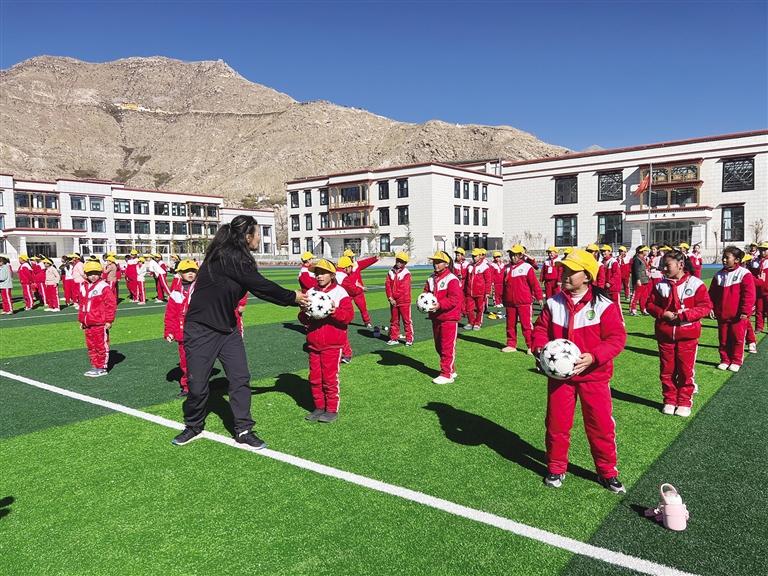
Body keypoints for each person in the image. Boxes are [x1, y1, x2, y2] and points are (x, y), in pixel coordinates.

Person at [171, 215, 308, 448]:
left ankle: (243, 429)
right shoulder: (229, 257)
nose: (259, 238)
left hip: (228, 329)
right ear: (247, 236)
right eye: (257, 234)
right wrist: (292, 296)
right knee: (198, 385)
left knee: (240, 379)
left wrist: (293, 301)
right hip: (201, 330)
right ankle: (193, 425)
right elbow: (260, 284)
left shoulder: (235, 258)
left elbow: (259, 290)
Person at [532, 249, 627, 493]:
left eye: (571, 271)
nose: (564, 274)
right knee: (557, 424)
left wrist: (594, 356)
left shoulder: (604, 306)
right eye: (563, 269)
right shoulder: (553, 303)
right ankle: (556, 467)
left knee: (600, 425)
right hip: (560, 379)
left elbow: (617, 338)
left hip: (594, 377)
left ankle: (607, 472)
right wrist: (541, 349)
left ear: (587, 276)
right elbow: (540, 330)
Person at [647, 250, 712, 417]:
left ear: (680, 265)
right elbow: (650, 305)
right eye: (663, 265)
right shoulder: (660, 285)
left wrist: (685, 315)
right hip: (665, 335)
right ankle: (669, 400)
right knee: (666, 370)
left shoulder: (696, 284)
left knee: (685, 370)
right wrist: (663, 314)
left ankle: (684, 401)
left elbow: (705, 307)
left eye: (667, 265)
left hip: (687, 335)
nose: (663, 269)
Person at [299, 259, 354, 423]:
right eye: (317, 273)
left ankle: (331, 410)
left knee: (329, 378)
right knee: (315, 378)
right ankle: (319, 407)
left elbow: (348, 317)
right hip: (314, 343)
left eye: (323, 273)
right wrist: (303, 312)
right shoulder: (311, 292)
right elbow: (303, 319)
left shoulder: (340, 293)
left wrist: (334, 311)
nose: (319, 276)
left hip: (332, 343)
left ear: (332, 275)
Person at [709, 246, 756, 373]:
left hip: (738, 315)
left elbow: (749, 294)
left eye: (727, 257)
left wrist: (745, 311)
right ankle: (725, 360)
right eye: (723, 257)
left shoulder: (744, 273)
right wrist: (711, 307)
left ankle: (736, 361)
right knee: (723, 339)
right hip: (722, 314)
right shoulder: (718, 275)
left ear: (737, 260)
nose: (724, 260)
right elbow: (711, 294)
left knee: (737, 339)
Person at [422, 251, 463, 384]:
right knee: (439, 346)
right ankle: (451, 369)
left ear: (446, 264)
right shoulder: (431, 278)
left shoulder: (452, 279)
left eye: (439, 262)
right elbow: (425, 293)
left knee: (447, 346)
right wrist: (423, 302)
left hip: (449, 317)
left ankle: (446, 374)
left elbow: (454, 299)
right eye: (434, 262)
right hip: (436, 317)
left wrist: (439, 304)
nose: (435, 264)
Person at [164, 259, 199, 397]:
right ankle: (187, 387)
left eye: (193, 271)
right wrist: (169, 331)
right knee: (185, 362)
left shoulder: (201, 290)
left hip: (199, 334)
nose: (190, 273)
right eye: (186, 271)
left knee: (200, 362)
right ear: (180, 273)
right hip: (182, 334)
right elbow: (170, 315)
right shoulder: (175, 293)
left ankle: (200, 386)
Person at [501, 244, 543, 354]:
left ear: (520, 255)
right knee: (510, 325)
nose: (513, 257)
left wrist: (539, 297)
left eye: (515, 254)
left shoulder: (527, 267)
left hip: (524, 302)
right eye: (511, 254)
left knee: (526, 325)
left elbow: (534, 284)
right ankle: (511, 344)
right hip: (510, 302)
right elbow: (503, 285)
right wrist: (502, 298)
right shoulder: (506, 268)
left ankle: (531, 346)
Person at [79, 260, 117, 377]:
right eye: (90, 274)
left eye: (96, 273)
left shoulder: (103, 287)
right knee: (91, 346)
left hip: (100, 323)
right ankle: (95, 365)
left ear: (100, 273)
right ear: (86, 274)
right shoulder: (84, 287)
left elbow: (111, 304)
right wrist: (82, 320)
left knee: (101, 346)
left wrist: (109, 320)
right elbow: (82, 305)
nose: (93, 276)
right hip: (88, 323)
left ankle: (101, 367)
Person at [344, 248, 378, 328]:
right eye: (350, 257)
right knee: (345, 307)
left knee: (363, 308)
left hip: (358, 291)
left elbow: (366, 262)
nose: (352, 258)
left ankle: (367, 322)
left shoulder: (356, 265)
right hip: (348, 292)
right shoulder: (343, 267)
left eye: (352, 257)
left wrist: (375, 258)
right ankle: (344, 320)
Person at [385, 251, 413, 346]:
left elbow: (403, 289)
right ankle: (394, 338)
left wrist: (393, 298)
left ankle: (409, 339)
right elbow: (387, 285)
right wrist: (390, 297)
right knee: (394, 320)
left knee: (406, 321)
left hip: (404, 301)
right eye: (398, 260)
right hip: (393, 301)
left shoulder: (406, 273)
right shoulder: (390, 272)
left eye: (401, 261)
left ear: (405, 263)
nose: (398, 262)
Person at [335, 256, 359, 363]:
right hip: (341, 306)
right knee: (341, 330)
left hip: (333, 305)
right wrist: (360, 288)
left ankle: (342, 353)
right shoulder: (343, 277)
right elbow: (353, 290)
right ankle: (346, 354)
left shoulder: (334, 274)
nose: (351, 269)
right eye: (350, 267)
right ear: (346, 267)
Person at [463, 247, 493, 330]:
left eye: (475, 256)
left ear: (480, 256)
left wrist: (487, 292)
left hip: (480, 292)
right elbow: (466, 279)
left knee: (480, 309)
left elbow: (488, 280)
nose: (474, 257)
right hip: (469, 292)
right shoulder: (469, 266)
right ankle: (470, 322)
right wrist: (464, 289)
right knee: (469, 308)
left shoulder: (485, 267)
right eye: (473, 256)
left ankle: (478, 323)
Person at [629, 246, 651, 316]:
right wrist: (638, 279)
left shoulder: (643, 259)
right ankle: (633, 310)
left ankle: (643, 309)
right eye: (646, 250)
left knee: (644, 296)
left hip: (645, 280)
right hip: (639, 281)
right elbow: (636, 271)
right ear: (642, 251)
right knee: (636, 296)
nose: (647, 252)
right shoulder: (637, 259)